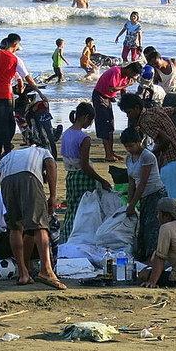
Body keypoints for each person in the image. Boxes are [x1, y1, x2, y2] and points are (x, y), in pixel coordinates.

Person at [0, 144, 66, 289]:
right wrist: (53, 196)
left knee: (15, 227)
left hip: (7, 182)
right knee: (41, 225)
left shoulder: (9, 156)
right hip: (29, 177)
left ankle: (23, 274)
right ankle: (46, 270)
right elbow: (51, 165)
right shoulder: (42, 151)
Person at [0, 33, 45, 160]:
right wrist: (39, 92)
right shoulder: (16, 60)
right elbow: (28, 78)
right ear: (15, 44)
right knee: (7, 123)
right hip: (5, 95)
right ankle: (6, 150)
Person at [117, 92, 176, 200]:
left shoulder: (145, 122)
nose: (128, 116)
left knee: (169, 199)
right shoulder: (155, 110)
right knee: (174, 195)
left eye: (129, 112)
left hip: (171, 159)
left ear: (137, 108)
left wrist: (152, 154)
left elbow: (166, 140)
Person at [59, 101, 112, 239]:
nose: (90, 123)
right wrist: (101, 180)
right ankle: (82, 236)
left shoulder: (66, 134)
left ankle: (67, 235)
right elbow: (85, 165)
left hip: (70, 176)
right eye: (91, 120)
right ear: (85, 117)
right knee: (85, 209)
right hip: (83, 176)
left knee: (72, 206)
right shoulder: (84, 138)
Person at [122, 127, 167, 263]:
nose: (129, 149)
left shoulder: (147, 156)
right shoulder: (129, 158)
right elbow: (131, 181)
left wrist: (133, 204)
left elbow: (142, 183)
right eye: (126, 146)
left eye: (131, 145)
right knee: (142, 227)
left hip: (155, 194)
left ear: (139, 142)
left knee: (151, 227)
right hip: (142, 195)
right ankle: (143, 255)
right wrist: (130, 202)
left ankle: (152, 258)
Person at [92, 62, 142, 161]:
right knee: (105, 125)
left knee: (110, 125)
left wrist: (127, 104)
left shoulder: (126, 77)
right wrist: (126, 85)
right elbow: (111, 89)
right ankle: (108, 154)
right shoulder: (117, 71)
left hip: (108, 98)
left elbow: (123, 91)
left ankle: (110, 152)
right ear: (129, 69)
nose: (133, 77)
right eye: (134, 74)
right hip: (100, 96)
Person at [144, 46, 176, 111]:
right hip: (166, 96)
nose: (155, 66)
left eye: (156, 63)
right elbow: (152, 85)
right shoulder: (154, 70)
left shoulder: (173, 62)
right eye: (153, 64)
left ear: (160, 58)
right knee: (168, 117)